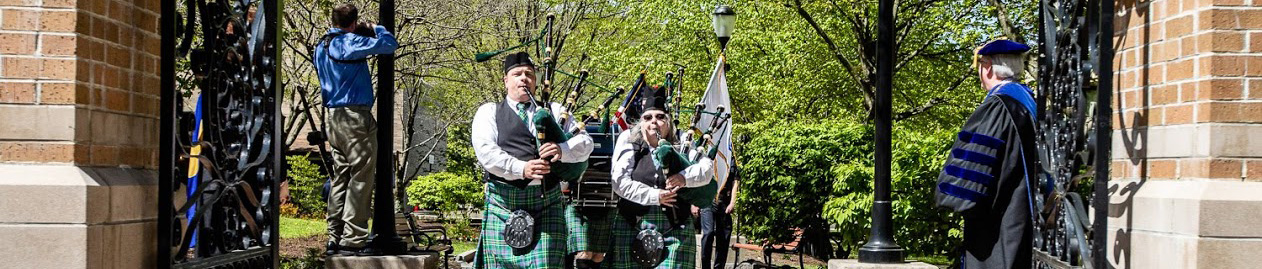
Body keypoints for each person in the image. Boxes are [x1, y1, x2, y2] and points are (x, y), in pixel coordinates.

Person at [471, 51, 594, 268]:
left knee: (546, 263)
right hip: (503, 202)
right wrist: (521, 168)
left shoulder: (555, 111)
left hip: (547, 202)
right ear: (506, 80)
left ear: (536, 82)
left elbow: (585, 143)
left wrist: (562, 148)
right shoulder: (488, 112)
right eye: (517, 74)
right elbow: (485, 152)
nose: (524, 78)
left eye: (529, 74)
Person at [934, 39, 1038, 269]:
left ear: (988, 67)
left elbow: (974, 167)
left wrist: (950, 194)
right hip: (1022, 213)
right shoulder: (1028, 101)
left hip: (998, 222)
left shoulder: (999, 106)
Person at [313, 3, 398, 256]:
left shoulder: (322, 45)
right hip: (354, 118)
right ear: (353, 22)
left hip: (332, 118)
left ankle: (333, 236)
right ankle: (353, 238)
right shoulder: (348, 42)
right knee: (361, 178)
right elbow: (389, 44)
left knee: (340, 178)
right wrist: (376, 27)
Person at [609, 84, 714, 269]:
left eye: (660, 117)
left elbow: (706, 169)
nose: (653, 122)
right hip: (632, 224)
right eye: (647, 118)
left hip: (676, 227)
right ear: (641, 123)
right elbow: (619, 181)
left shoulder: (683, 142)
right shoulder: (629, 141)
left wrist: (684, 177)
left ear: (668, 122)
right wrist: (655, 196)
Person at [695, 164, 740, 269]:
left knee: (723, 237)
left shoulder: (730, 157)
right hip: (707, 201)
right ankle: (705, 266)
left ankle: (719, 267)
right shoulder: (708, 155)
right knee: (708, 233)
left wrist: (732, 202)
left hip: (724, 202)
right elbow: (698, 178)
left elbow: (735, 182)